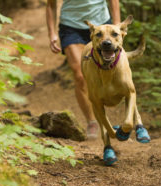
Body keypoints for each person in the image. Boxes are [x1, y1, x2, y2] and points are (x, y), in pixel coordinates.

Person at [46, 0, 121, 139]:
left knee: (108, 71)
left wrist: (117, 26)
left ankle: (108, 110)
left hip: (103, 26)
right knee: (80, 75)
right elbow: (51, 5)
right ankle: (92, 122)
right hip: (71, 27)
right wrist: (52, 33)